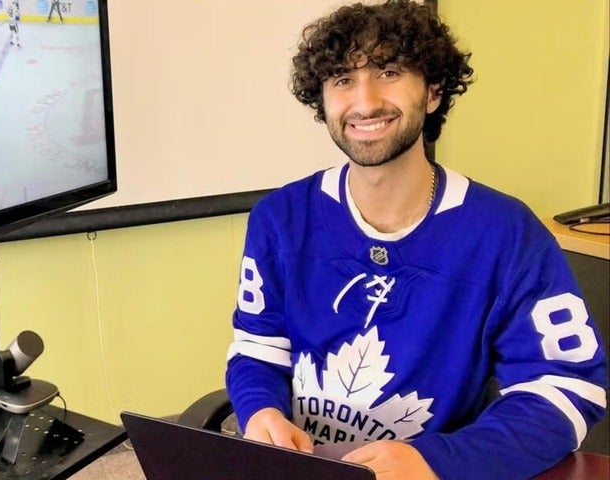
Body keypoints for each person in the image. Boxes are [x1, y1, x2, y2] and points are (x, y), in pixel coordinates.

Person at [224, 1, 608, 479]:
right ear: (321, 100)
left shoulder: (507, 234)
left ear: (432, 92)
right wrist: (261, 412)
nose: (364, 102)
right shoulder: (279, 218)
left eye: (388, 71)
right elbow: (258, 349)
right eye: (343, 79)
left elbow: (568, 388)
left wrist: (440, 460)